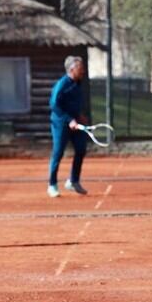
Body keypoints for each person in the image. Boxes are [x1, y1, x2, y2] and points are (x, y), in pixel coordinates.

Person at [47, 55, 89, 198]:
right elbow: (54, 105)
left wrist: (79, 116)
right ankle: (52, 185)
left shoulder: (77, 83)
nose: (83, 70)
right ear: (72, 69)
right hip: (60, 123)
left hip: (75, 122)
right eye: (80, 68)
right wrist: (69, 119)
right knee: (58, 153)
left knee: (81, 149)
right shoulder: (62, 84)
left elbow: (72, 104)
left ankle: (73, 181)